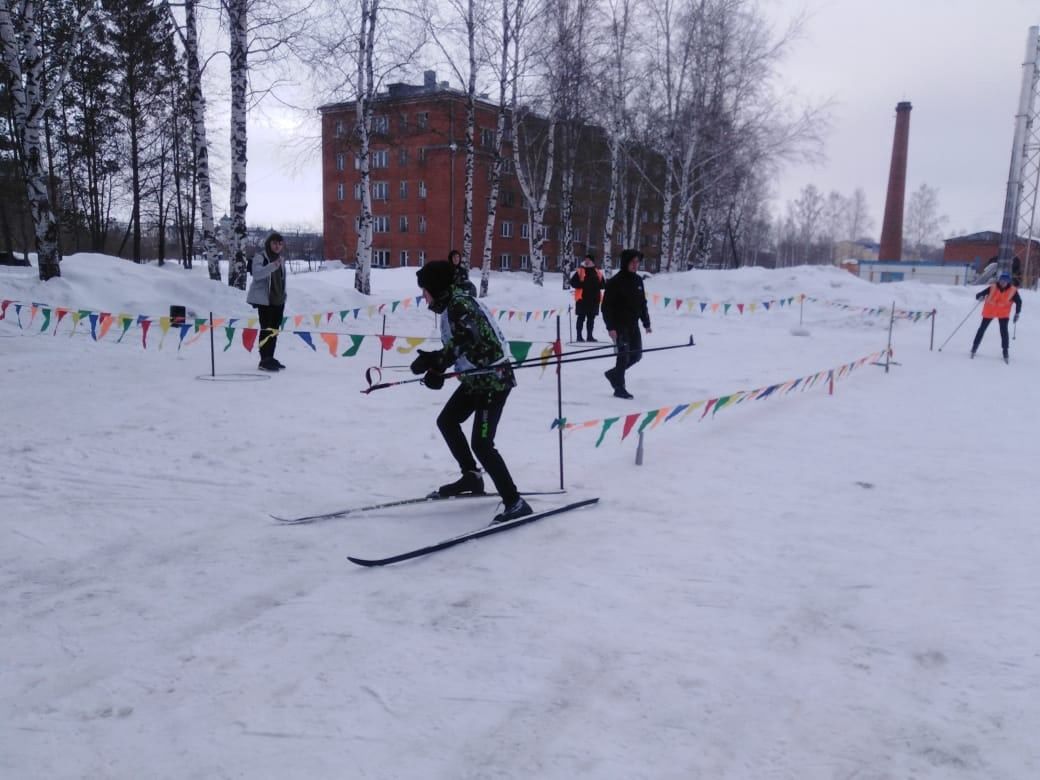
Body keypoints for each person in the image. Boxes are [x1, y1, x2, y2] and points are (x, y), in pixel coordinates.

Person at [411, 260, 532, 524]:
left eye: (425, 290)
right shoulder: (453, 304)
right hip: (476, 378)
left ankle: (515, 502)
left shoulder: (459, 304)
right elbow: (462, 344)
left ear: (436, 287)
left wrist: (438, 364)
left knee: (482, 443)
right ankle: (471, 477)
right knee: (447, 421)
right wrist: (435, 363)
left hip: (494, 381)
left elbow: (469, 339)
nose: (423, 296)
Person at [601, 249, 651, 399]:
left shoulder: (638, 281)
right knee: (623, 356)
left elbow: (642, 303)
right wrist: (610, 327)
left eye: (637, 262)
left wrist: (646, 322)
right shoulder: (615, 282)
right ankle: (619, 388)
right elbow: (606, 307)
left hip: (633, 324)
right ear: (625, 263)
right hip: (619, 325)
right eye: (633, 262)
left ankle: (613, 374)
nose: (635, 265)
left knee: (636, 356)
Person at [246, 231, 288, 371]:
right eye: (274, 243)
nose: (277, 246)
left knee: (274, 330)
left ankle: (271, 357)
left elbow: (281, 280)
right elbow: (257, 274)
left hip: (278, 300)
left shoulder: (280, 259)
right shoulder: (261, 257)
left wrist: (284, 295)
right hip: (265, 300)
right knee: (266, 329)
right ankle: (264, 360)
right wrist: (272, 266)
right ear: (269, 244)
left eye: (280, 244)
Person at [971, 271, 1022, 363]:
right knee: (982, 329)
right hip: (989, 311)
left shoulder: (1013, 290)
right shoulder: (993, 287)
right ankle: (974, 347)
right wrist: (980, 297)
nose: (1002, 283)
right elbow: (978, 295)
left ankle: (1005, 351)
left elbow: (1019, 302)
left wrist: (1017, 313)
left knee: (1004, 332)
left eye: (1005, 281)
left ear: (1008, 282)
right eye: (1001, 280)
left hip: (1003, 313)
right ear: (999, 280)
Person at [569, 253, 605, 342]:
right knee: (581, 318)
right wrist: (580, 284)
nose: (587, 261)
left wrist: (600, 285)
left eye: (589, 259)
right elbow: (572, 282)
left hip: (594, 300)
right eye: (586, 259)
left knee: (591, 319)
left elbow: (603, 284)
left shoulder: (597, 272)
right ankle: (579, 336)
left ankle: (590, 336)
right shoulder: (580, 271)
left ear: (592, 261)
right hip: (582, 299)